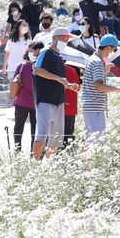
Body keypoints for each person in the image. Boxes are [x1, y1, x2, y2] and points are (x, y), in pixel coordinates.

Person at [32, 28, 80, 160]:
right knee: (41, 135)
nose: (66, 41)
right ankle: (35, 165)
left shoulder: (59, 56)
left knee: (56, 139)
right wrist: (60, 79)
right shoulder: (45, 52)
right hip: (45, 101)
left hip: (59, 101)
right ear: (55, 39)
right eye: (64, 38)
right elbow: (38, 70)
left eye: (67, 39)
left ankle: (50, 166)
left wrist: (68, 85)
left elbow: (56, 79)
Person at [80, 34, 120, 142]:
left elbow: (94, 81)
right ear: (108, 47)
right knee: (96, 141)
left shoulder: (94, 60)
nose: (112, 52)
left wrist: (104, 72)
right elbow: (99, 86)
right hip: (94, 107)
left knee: (93, 139)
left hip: (92, 106)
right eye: (113, 49)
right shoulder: (97, 62)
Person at [12, 41, 44, 152]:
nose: (32, 52)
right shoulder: (22, 66)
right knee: (19, 127)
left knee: (34, 129)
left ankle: (33, 151)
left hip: (35, 103)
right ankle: (17, 150)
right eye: (30, 50)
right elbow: (14, 82)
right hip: (24, 102)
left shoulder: (43, 67)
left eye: (34, 50)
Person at [63, 64, 82, 148]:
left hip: (58, 107)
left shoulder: (54, 71)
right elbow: (78, 88)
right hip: (71, 107)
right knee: (68, 133)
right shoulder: (73, 70)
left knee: (55, 134)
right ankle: (68, 151)